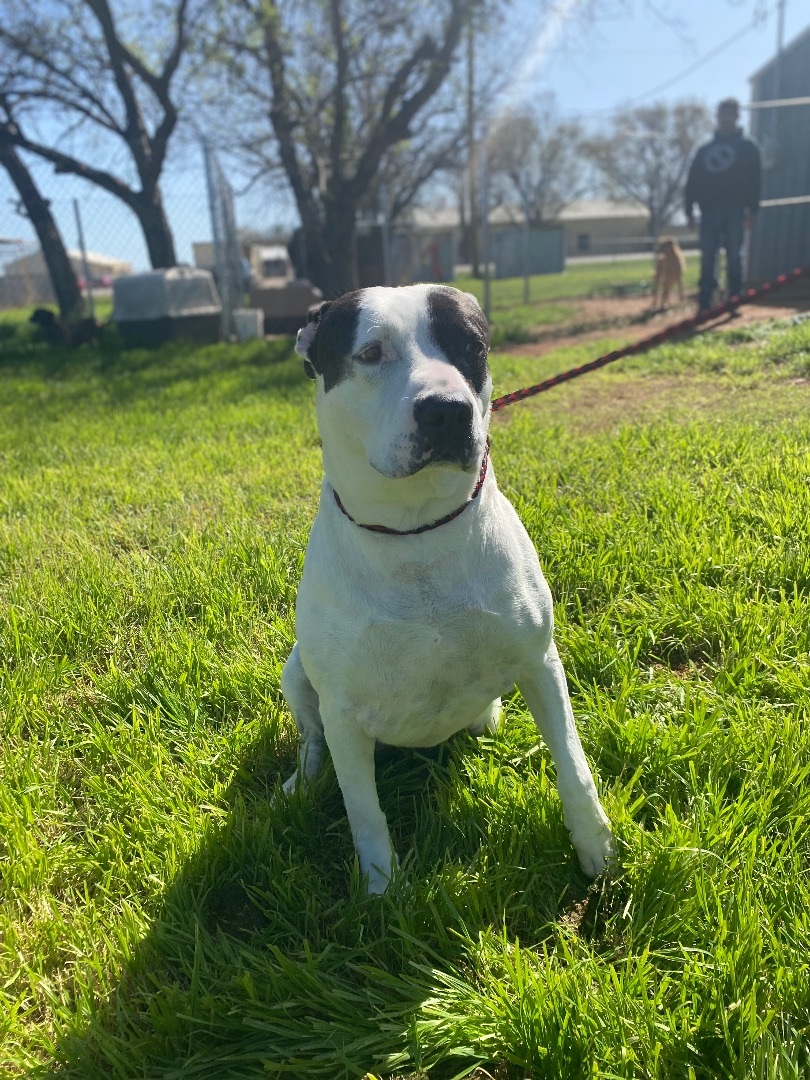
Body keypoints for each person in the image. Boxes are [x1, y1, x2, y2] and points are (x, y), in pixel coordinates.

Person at [685, 98, 762, 313]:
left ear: (737, 116)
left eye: (729, 114)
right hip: (708, 211)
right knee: (708, 256)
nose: (724, 119)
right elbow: (692, 181)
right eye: (721, 115)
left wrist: (753, 210)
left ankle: (735, 297)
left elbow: (755, 181)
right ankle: (705, 301)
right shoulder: (704, 150)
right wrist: (689, 210)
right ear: (717, 117)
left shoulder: (748, 148)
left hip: (736, 210)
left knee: (734, 256)